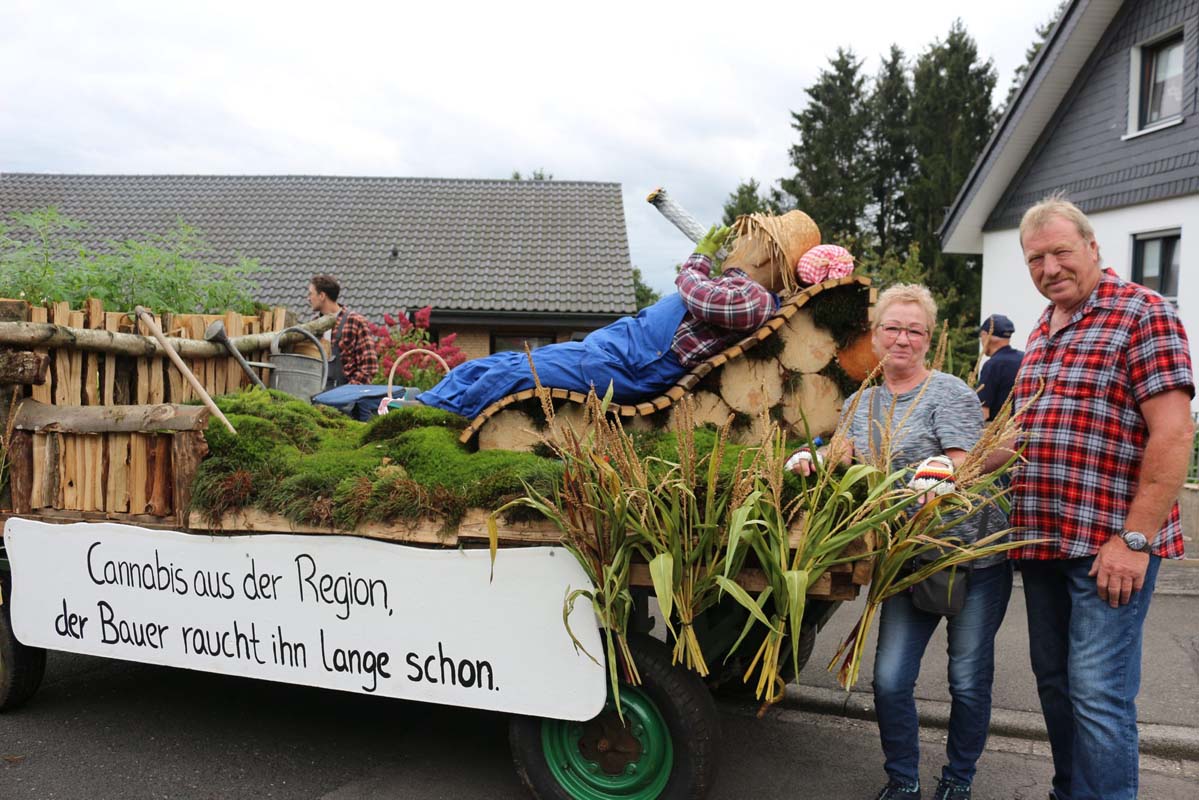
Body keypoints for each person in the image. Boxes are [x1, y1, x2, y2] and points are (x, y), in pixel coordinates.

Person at [790, 284, 1011, 800]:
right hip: (904, 561)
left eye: (915, 330)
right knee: (889, 680)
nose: (902, 338)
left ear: (928, 339)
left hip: (967, 560)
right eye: (893, 327)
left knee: (968, 681)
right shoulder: (861, 400)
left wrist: (937, 472)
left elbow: (965, 461)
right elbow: (841, 456)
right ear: (875, 334)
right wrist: (811, 460)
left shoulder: (949, 392)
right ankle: (903, 779)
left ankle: (957, 781)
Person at [1007, 197, 1193, 800]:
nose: (1050, 267)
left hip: (1110, 546)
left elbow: (1174, 431)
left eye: (1061, 251)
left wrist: (1135, 540)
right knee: (1057, 686)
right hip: (1042, 540)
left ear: (1092, 247)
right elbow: (1024, 433)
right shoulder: (1042, 328)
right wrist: (952, 468)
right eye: (1036, 258)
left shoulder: (1143, 312)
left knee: (1097, 693)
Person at [416, 211, 821, 419]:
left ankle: (437, 420)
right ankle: (420, 404)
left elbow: (697, 295)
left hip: (629, 365)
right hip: (617, 351)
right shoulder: (735, 285)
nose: (736, 241)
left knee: (514, 376)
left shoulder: (754, 299)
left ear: (766, 251)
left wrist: (699, 257)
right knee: (493, 364)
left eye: (746, 236)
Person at [307, 274, 378, 388]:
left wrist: (347, 393)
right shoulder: (313, 326)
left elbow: (369, 367)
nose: (308, 298)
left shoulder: (355, 322)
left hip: (347, 401)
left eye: (311, 294)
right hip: (317, 398)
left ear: (322, 295)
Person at [975, 314, 1023, 420]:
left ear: (985, 335)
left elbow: (983, 413)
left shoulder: (992, 365)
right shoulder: (1025, 358)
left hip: (999, 433)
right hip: (1024, 431)